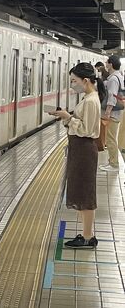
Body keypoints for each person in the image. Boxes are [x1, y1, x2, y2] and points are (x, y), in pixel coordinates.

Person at [50, 62, 103, 249]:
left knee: (86, 193)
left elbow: (86, 130)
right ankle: (87, 234)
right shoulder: (88, 98)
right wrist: (67, 118)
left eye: (74, 81)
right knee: (81, 191)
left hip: (84, 149)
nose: (72, 84)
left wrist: (67, 117)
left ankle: (88, 238)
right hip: (80, 149)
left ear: (85, 80)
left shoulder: (90, 100)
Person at [100, 55, 124, 172]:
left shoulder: (114, 79)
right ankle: (111, 162)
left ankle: (114, 164)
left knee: (110, 139)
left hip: (113, 114)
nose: (105, 63)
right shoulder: (118, 76)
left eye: (107, 62)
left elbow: (112, 97)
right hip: (116, 113)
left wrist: (107, 113)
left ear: (111, 64)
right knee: (111, 138)